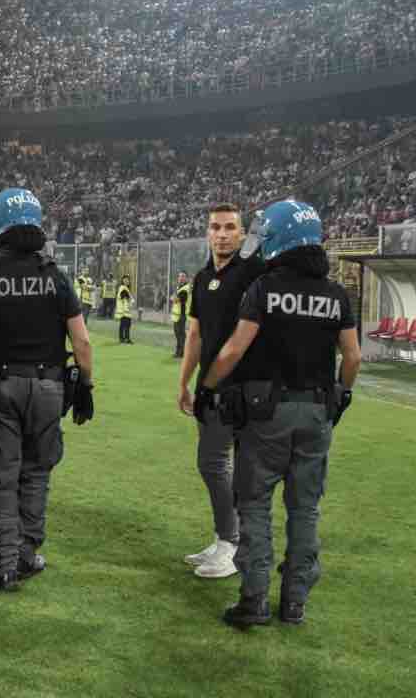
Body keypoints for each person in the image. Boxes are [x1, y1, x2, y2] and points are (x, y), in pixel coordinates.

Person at [197, 199, 361, 627]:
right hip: (317, 412)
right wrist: (342, 395)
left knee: (254, 504)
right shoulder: (336, 294)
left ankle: (254, 601)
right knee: (305, 509)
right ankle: (295, 602)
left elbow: (235, 348)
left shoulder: (264, 288)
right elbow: (353, 357)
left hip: (267, 412)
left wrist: (209, 386)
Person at [0, 188, 95, 591]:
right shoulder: (54, 274)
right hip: (49, 387)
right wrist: (86, 384)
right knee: (36, 473)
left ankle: (1, 564)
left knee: (2, 475)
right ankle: (27, 555)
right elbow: (81, 342)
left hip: (0, 386)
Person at [178, 203, 266, 579]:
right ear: (208, 233)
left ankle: (233, 545)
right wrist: (184, 381)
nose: (223, 233)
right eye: (216, 227)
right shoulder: (201, 279)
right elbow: (194, 335)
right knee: (213, 464)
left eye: (231, 227)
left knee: (232, 467)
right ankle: (225, 538)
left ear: (243, 234)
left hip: (245, 389)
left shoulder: (253, 274)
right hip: (210, 387)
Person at [171, 272, 191, 358]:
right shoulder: (179, 287)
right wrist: (173, 298)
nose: (181, 278)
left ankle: (182, 353)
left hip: (181, 315)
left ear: (186, 278)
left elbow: (176, 299)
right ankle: (179, 352)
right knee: (178, 334)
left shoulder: (185, 289)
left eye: (183, 276)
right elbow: (174, 298)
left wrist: (173, 298)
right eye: (179, 276)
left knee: (180, 335)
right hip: (177, 315)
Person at [115, 276, 135, 344]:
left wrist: (131, 299)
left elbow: (127, 297)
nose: (126, 281)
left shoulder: (126, 288)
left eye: (128, 280)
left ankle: (127, 338)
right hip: (123, 310)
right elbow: (123, 295)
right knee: (123, 325)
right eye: (125, 280)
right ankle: (122, 339)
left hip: (127, 310)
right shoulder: (122, 287)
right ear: (122, 281)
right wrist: (131, 299)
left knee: (127, 325)